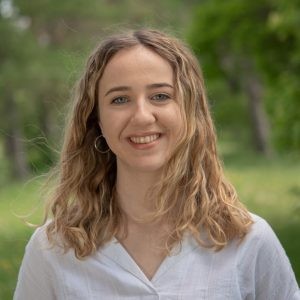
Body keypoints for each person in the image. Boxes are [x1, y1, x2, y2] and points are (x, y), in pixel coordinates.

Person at [14, 29, 299, 299]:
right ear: (96, 120)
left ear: (190, 111)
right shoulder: (53, 250)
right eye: (120, 99)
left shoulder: (248, 241)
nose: (141, 116)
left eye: (160, 96)